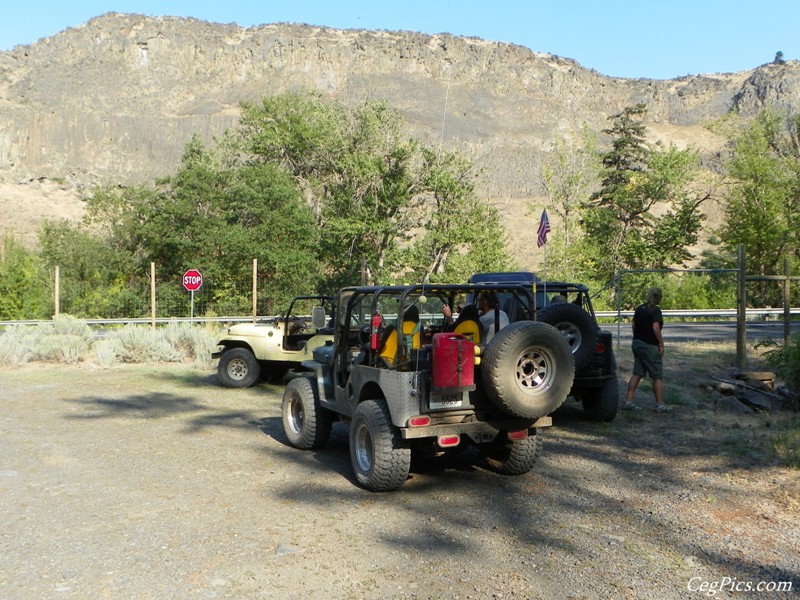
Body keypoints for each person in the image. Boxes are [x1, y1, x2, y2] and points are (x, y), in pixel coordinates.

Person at [624, 287, 671, 412]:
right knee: (657, 374)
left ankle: (628, 401)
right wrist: (661, 344)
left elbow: (633, 326)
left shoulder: (639, 309)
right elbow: (655, 328)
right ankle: (659, 404)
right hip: (649, 345)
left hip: (637, 343)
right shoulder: (655, 311)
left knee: (637, 372)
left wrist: (637, 338)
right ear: (658, 297)